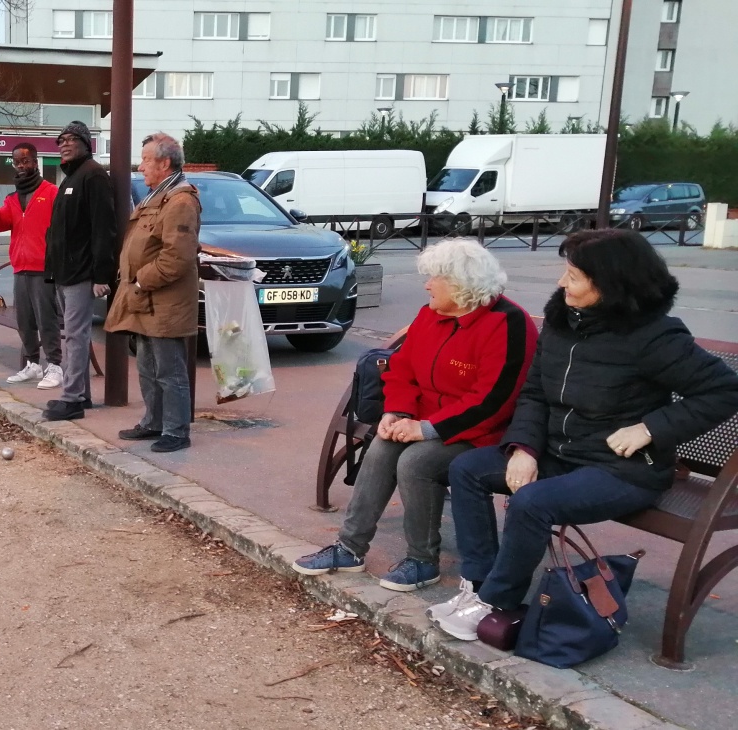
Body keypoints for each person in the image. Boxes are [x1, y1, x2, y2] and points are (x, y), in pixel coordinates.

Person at [433, 228, 738, 641]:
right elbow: (535, 392)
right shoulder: (563, 323)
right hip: (561, 453)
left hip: (623, 470)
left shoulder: (655, 337)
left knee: (531, 502)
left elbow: (724, 391)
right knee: (467, 468)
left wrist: (650, 428)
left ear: (610, 284)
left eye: (574, 277)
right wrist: (524, 448)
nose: (562, 283)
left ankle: (498, 604)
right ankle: (479, 585)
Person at [292, 239, 538, 592]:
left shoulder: (508, 323)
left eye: (434, 278)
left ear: (461, 283)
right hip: (421, 422)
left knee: (416, 462)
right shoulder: (430, 314)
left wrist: (427, 428)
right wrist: (396, 411)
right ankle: (349, 547)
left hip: (481, 432)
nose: (426, 285)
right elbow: (401, 369)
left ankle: (423, 561)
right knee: (381, 446)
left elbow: (494, 401)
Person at [104, 133, 201, 453]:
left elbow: (177, 257)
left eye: (146, 160)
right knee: (147, 366)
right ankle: (154, 422)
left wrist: (141, 280)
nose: (141, 166)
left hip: (163, 301)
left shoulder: (181, 201)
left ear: (165, 163)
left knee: (169, 370)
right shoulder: (158, 196)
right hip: (145, 299)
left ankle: (176, 431)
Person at [41, 121, 116, 421]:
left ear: (86, 143)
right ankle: (81, 395)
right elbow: (57, 231)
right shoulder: (71, 178)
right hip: (64, 272)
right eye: (61, 140)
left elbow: (103, 228)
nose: (64, 144)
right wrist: (51, 271)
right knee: (74, 336)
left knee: (75, 336)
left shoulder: (93, 175)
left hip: (81, 273)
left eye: (71, 139)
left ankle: (71, 399)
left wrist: (101, 275)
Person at [0, 143, 63, 389]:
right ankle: (33, 364)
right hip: (21, 267)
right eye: (17, 162)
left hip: (45, 268)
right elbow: (1, 223)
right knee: (24, 319)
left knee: (46, 319)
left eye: (26, 161)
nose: (22, 166)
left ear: (36, 162)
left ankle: (55, 366)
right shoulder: (12, 198)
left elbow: (63, 226)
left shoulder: (51, 192)